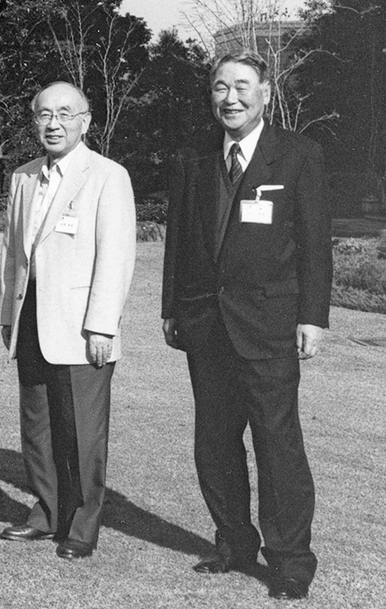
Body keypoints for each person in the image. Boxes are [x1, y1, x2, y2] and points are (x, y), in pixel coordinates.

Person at [161, 51, 331, 600]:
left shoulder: (298, 155)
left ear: (265, 92)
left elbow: (315, 243)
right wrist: (171, 307)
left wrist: (313, 316)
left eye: (241, 86)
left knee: (277, 444)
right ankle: (234, 542)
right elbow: (179, 239)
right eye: (219, 87)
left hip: (268, 325)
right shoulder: (193, 157)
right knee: (214, 441)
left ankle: (290, 561)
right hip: (205, 324)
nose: (230, 98)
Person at [0, 82, 136, 560]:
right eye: (44, 115)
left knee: (82, 432)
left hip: (81, 327)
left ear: (85, 121)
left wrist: (103, 325)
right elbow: (12, 253)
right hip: (31, 320)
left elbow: (116, 256)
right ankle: (47, 510)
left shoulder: (108, 176)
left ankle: (82, 524)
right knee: (37, 426)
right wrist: (7, 315)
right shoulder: (23, 177)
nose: (53, 124)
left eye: (64, 114)